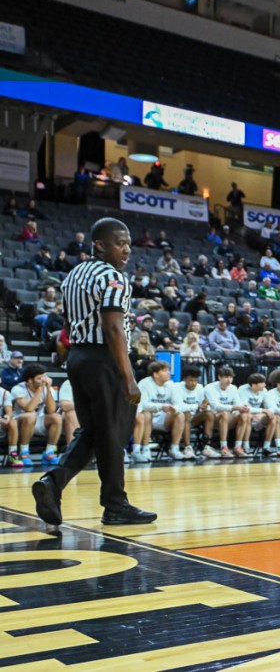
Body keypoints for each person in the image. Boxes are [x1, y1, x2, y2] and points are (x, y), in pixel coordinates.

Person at [33, 217, 157, 526]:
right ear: (100, 245)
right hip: (105, 359)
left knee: (93, 432)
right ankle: (115, 505)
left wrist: (68, 350)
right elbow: (113, 328)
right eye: (120, 243)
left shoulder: (73, 275)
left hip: (78, 358)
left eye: (128, 244)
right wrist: (128, 377)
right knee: (113, 434)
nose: (127, 250)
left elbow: (66, 323)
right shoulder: (113, 277)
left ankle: (53, 482)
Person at [10, 364, 61, 468]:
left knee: (56, 417)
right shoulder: (18, 388)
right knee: (30, 416)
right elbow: (29, 408)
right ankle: (24, 452)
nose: (44, 380)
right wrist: (40, 389)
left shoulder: (47, 388)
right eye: (39, 378)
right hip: (19, 422)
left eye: (44, 376)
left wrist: (47, 388)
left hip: (38, 419)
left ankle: (49, 452)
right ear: (30, 380)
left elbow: (51, 410)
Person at [133, 360, 177, 464]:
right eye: (165, 371)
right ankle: (142, 449)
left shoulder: (171, 384)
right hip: (144, 418)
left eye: (168, 370)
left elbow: (178, 403)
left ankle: (175, 448)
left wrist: (174, 408)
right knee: (147, 414)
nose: (169, 373)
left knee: (180, 415)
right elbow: (143, 405)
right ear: (156, 374)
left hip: (162, 418)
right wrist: (161, 406)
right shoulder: (145, 383)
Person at [169, 367, 215, 460]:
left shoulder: (200, 387)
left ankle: (206, 446)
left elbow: (202, 406)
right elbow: (179, 407)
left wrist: (205, 405)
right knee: (186, 413)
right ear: (184, 379)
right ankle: (188, 447)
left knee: (209, 414)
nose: (193, 383)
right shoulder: (177, 387)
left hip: (194, 418)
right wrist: (197, 406)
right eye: (190, 380)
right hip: (179, 419)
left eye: (195, 380)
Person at [204, 366, 248, 458]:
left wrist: (240, 409)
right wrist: (235, 407)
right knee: (224, 413)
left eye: (231, 377)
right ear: (219, 377)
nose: (229, 380)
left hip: (228, 418)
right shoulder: (209, 387)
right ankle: (224, 447)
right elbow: (216, 406)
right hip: (213, 418)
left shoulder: (233, 388)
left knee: (244, 415)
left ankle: (238, 447)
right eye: (226, 377)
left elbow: (238, 405)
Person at [238, 373, 276, 454]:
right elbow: (245, 408)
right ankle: (246, 446)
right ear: (254, 385)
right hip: (243, 417)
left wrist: (263, 413)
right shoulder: (242, 389)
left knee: (273, 417)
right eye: (262, 383)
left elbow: (271, 407)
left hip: (257, 418)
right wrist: (262, 411)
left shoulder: (264, 391)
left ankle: (266, 447)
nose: (265, 385)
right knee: (247, 415)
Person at [57, 379, 78, 465]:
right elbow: (64, 406)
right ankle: (72, 451)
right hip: (69, 420)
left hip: (91, 417)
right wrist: (84, 405)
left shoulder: (100, 383)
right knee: (70, 414)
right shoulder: (69, 383)